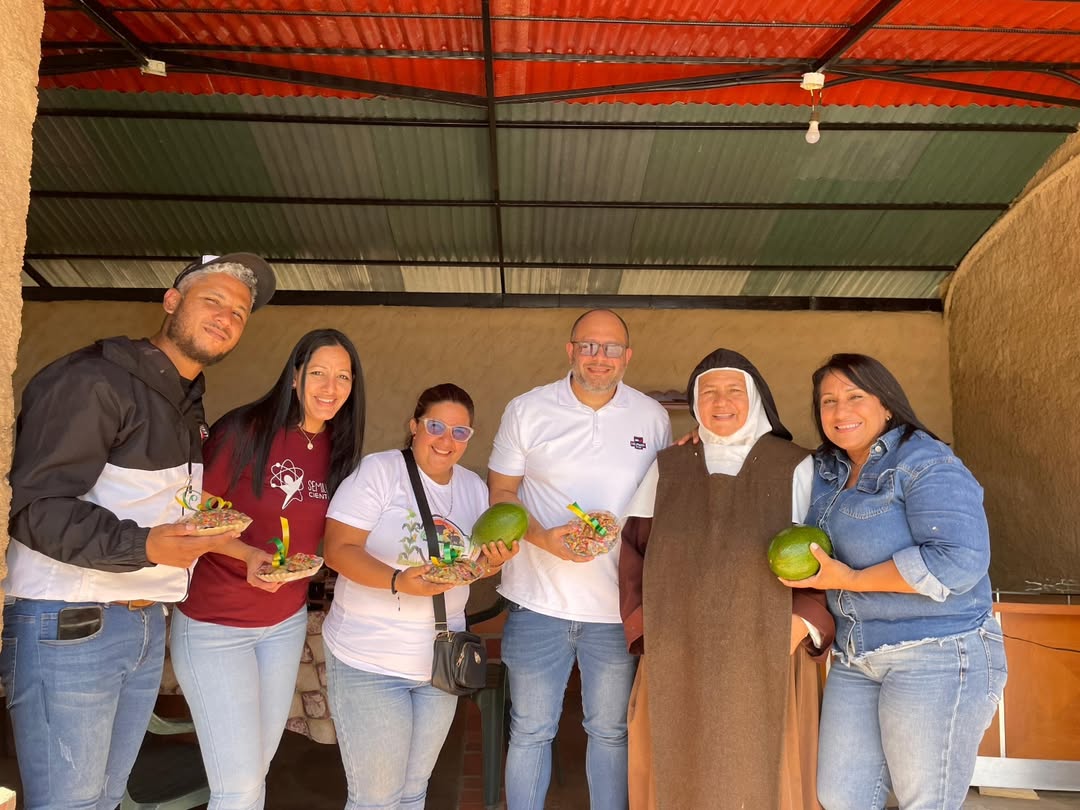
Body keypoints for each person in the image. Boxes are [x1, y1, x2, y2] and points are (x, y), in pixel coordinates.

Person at [1, 253, 275, 810]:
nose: (226, 318)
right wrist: (145, 546)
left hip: (143, 621)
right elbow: (35, 507)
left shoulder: (185, 402)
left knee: (104, 801)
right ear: (171, 302)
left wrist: (240, 551)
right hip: (70, 622)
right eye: (212, 301)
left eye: (239, 313)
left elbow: (163, 515)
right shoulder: (92, 380)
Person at [787, 353, 1007, 810]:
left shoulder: (925, 461)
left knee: (924, 800)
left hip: (937, 654)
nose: (840, 411)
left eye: (854, 396)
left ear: (886, 404)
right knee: (841, 796)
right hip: (858, 658)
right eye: (828, 401)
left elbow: (960, 560)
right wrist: (705, 440)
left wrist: (852, 578)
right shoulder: (828, 472)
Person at [618, 348, 832, 810]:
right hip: (679, 648)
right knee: (680, 757)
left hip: (771, 643)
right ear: (695, 403)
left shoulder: (795, 465)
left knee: (761, 765)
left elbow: (824, 550)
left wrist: (804, 624)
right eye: (708, 391)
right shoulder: (668, 467)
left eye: (734, 390)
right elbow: (635, 547)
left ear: (755, 398)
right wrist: (646, 627)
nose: (721, 401)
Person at [169, 328, 365, 809]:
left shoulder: (337, 448)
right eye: (318, 372)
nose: (330, 386)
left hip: (283, 625)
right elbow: (193, 514)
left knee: (254, 771)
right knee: (237, 785)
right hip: (216, 623)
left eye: (343, 376)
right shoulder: (245, 430)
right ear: (295, 377)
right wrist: (247, 556)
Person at [488, 309, 672, 810]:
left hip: (615, 608)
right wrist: (545, 538)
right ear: (570, 351)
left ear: (627, 357)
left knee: (610, 731)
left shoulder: (651, 417)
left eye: (611, 348)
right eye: (588, 346)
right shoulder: (527, 409)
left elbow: (664, 500)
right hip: (537, 599)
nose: (599, 358)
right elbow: (502, 491)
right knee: (529, 730)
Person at [322, 383, 517, 810]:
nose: (447, 440)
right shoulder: (381, 471)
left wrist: (492, 563)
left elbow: (471, 564)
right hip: (370, 659)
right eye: (436, 426)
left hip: (439, 663)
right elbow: (337, 550)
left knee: (413, 792)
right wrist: (398, 581)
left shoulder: (473, 488)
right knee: (376, 798)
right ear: (414, 427)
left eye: (460, 432)